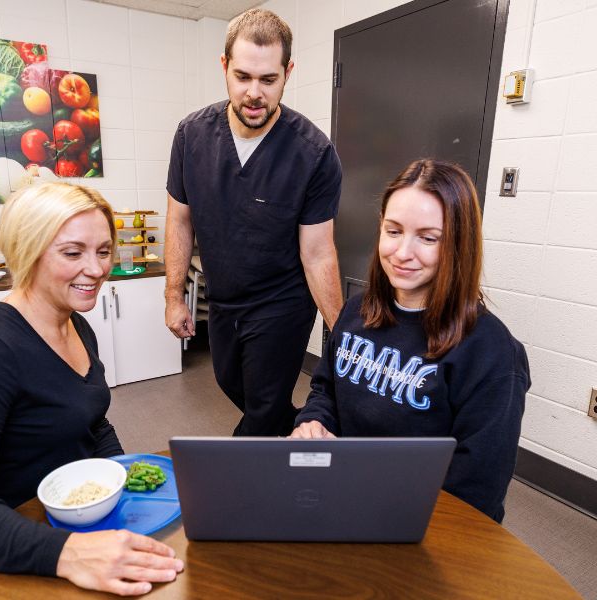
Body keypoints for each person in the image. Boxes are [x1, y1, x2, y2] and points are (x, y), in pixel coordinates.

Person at [0, 182, 183, 596]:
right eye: (73, 253)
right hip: (20, 548)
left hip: (76, 514)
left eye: (103, 251)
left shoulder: (75, 324)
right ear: (27, 252)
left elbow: (91, 420)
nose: (96, 270)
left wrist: (120, 483)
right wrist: (70, 553)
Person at [292, 159, 529, 522]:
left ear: (458, 244)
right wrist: (313, 423)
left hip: (424, 524)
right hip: (343, 497)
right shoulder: (357, 311)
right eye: (393, 231)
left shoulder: (491, 353)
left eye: (428, 238)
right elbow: (325, 392)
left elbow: (475, 491)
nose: (402, 253)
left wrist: (372, 500)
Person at [165, 8, 344, 437]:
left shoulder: (314, 154)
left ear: (288, 73)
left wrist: (342, 334)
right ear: (224, 67)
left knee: (262, 408)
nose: (254, 93)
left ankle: (240, 488)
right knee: (233, 384)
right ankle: (309, 432)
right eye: (243, 76)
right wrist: (174, 294)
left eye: (268, 80)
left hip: (283, 301)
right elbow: (179, 220)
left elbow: (318, 253)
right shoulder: (191, 136)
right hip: (224, 296)